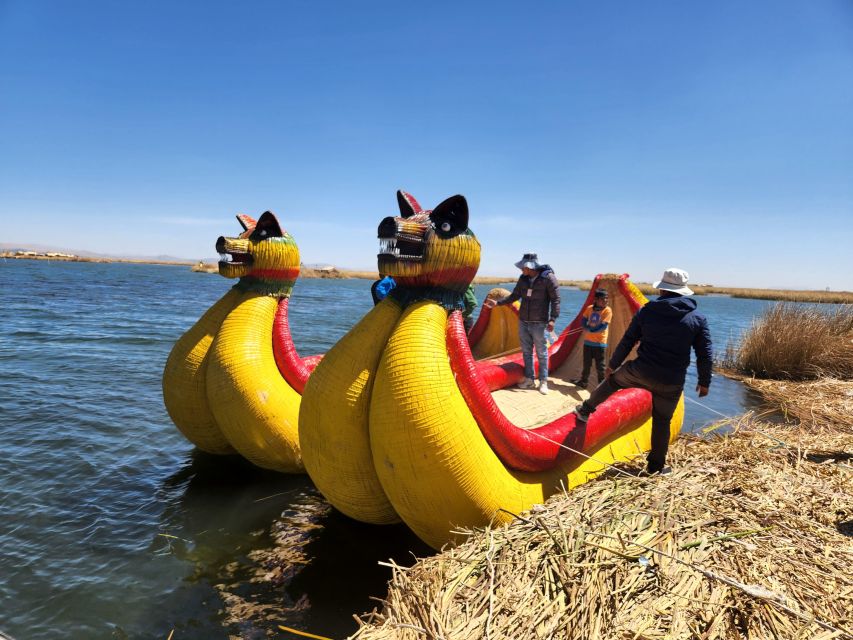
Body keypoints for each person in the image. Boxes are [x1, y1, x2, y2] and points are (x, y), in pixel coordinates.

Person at [573, 268, 712, 475]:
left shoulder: (647, 310)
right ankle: (655, 468)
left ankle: (585, 410)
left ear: (662, 291)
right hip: (671, 381)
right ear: (683, 292)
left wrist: (613, 364)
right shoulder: (697, 318)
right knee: (662, 421)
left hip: (640, 371)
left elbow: (629, 339)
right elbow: (705, 353)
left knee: (612, 382)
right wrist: (704, 381)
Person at [485, 253, 560, 394]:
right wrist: (498, 303)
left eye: (523, 267)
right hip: (524, 320)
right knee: (526, 351)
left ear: (529, 266)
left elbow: (556, 300)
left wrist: (552, 319)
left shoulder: (548, 278)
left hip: (539, 322)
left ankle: (543, 381)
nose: (521, 270)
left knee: (542, 352)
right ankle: (530, 379)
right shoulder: (523, 279)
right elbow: (515, 296)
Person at [572, 288, 612, 389]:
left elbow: (603, 326)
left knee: (600, 367)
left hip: (600, 344)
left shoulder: (608, 310)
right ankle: (583, 382)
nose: (605, 301)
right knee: (586, 364)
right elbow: (584, 320)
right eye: (603, 299)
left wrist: (591, 330)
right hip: (588, 342)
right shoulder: (590, 308)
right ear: (596, 300)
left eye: (607, 298)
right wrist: (586, 326)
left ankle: (601, 387)